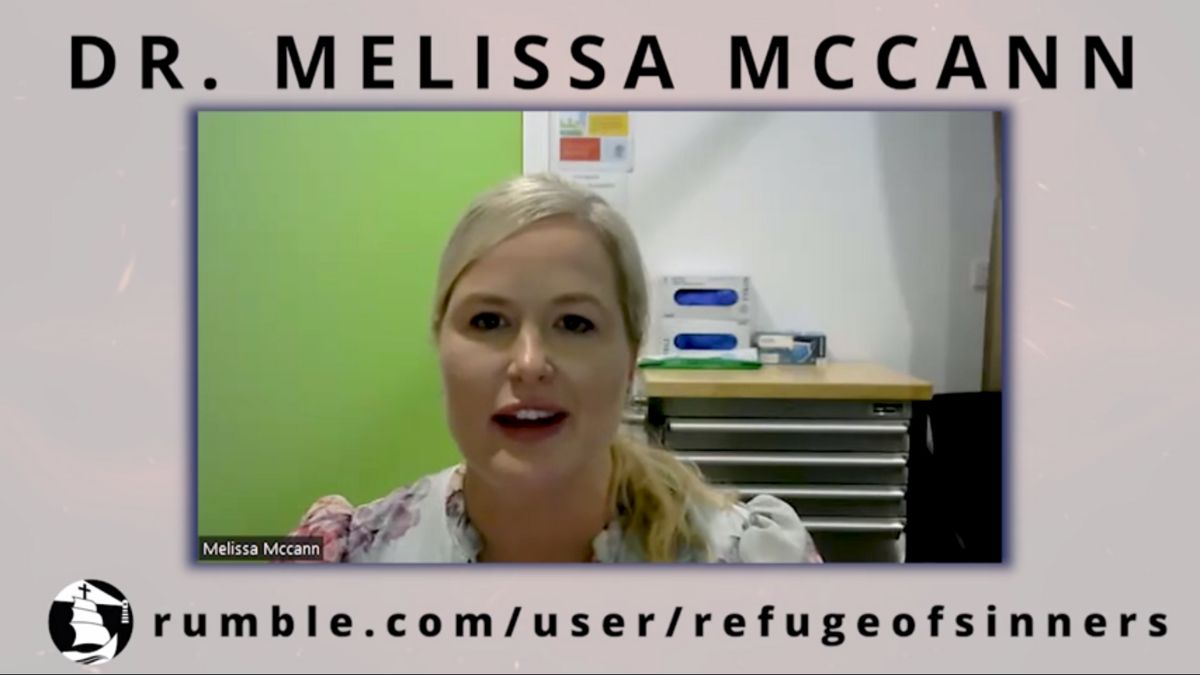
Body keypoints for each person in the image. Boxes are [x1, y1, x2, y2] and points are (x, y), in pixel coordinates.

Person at [288, 173, 823, 564]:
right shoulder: (346, 560)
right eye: (488, 320)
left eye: (574, 323)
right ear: (440, 343)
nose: (528, 365)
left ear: (631, 359)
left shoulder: (754, 568)